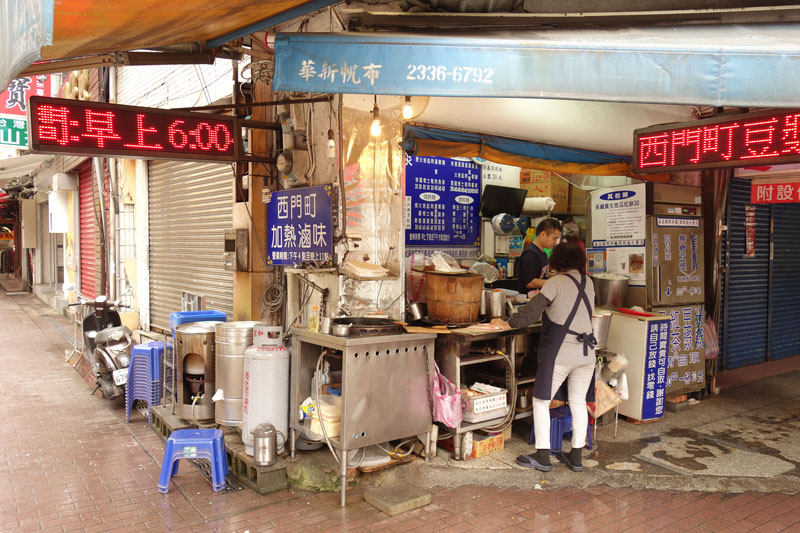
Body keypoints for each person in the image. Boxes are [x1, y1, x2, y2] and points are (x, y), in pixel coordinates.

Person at [501, 242, 597, 472]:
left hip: (561, 353)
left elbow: (529, 314)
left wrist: (506, 322)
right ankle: (576, 455)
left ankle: (543, 455)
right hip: (587, 355)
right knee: (578, 401)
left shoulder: (555, 283)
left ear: (556, 262)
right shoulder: (589, 282)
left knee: (541, 400)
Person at [517, 218, 562, 295]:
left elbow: (542, 274)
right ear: (543, 234)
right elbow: (530, 282)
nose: (555, 243)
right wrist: (554, 283)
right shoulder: (530, 254)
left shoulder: (542, 253)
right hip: (529, 300)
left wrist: (557, 277)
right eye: (554, 238)